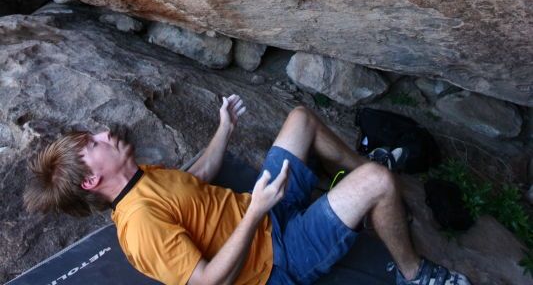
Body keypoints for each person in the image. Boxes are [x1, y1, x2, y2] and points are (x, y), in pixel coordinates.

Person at [24, 96, 472, 285]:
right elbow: (206, 281)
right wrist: (256, 211)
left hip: (265, 211)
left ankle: (363, 173)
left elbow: (194, 178)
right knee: (378, 183)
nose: (104, 133)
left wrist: (224, 128)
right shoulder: (141, 224)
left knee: (300, 119)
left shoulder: (140, 178)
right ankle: (416, 274)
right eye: (94, 144)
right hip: (276, 260)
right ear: (90, 181)